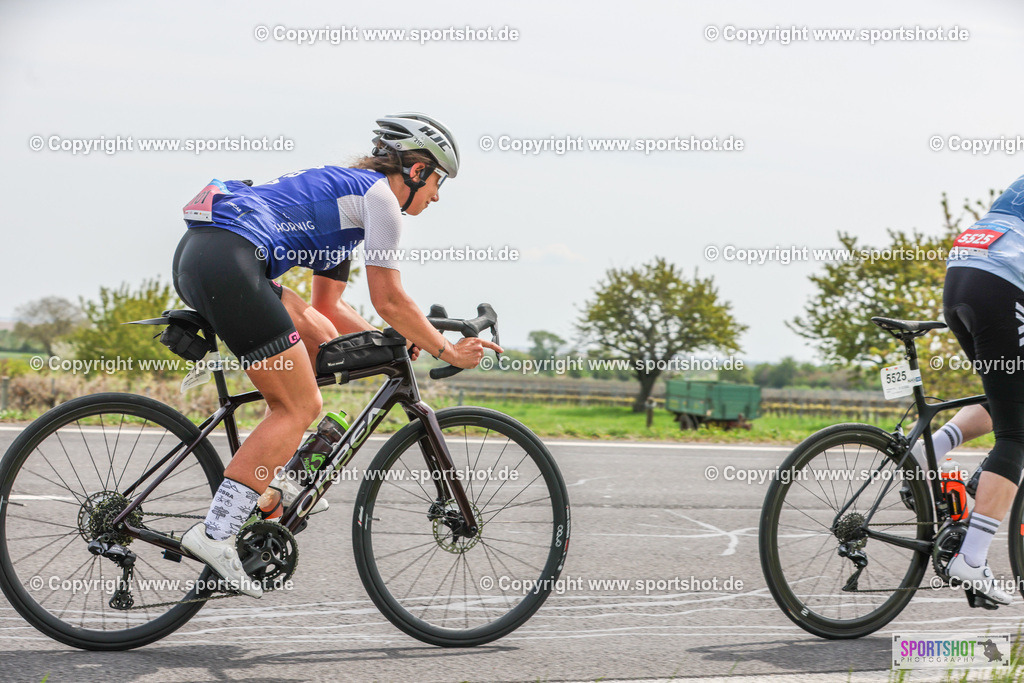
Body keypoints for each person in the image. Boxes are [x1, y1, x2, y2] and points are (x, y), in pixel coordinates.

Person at [172, 113, 503, 597]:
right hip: (233, 262)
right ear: (415, 171)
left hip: (207, 255)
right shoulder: (381, 200)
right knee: (300, 406)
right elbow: (390, 298)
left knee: (321, 342)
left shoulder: (348, 204)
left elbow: (331, 307)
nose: (436, 195)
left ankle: (270, 489)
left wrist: (400, 338)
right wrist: (446, 347)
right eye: (437, 182)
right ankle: (216, 533)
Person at [937, 174, 1024, 606]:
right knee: (1017, 434)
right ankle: (971, 559)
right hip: (1002, 281)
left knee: (1008, 394)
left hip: (962, 272)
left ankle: (929, 450)